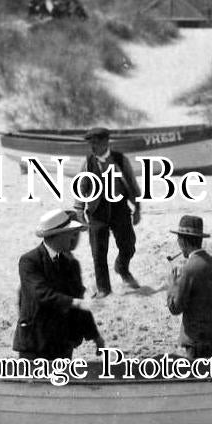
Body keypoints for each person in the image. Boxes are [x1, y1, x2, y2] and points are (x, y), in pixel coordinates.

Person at [12, 209, 106, 360]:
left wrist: (95, 336)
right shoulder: (29, 261)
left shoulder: (71, 264)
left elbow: (80, 303)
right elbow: (40, 294)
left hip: (62, 342)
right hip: (35, 343)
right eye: (71, 233)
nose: (75, 238)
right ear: (58, 235)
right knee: (34, 384)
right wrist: (76, 303)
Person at [74, 127, 141, 297]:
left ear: (106, 142)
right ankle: (103, 288)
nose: (92, 147)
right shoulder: (88, 163)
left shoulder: (120, 160)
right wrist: (79, 210)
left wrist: (137, 207)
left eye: (95, 143)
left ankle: (122, 268)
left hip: (120, 210)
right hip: (97, 212)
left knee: (128, 246)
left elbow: (132, 184)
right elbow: (81, 187)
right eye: (90, 143)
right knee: (98, 252)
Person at [166, 215, 212, 359]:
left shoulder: (188, 269)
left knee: (199, 380)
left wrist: (173, 285)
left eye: (179, 240)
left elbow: (175, 308)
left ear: (183, 241)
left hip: (197, 344)